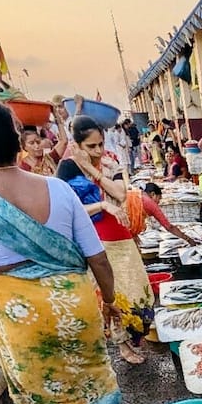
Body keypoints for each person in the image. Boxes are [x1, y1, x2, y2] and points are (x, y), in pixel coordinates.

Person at [0, 94, 138, 404]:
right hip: (73, 301)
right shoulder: (59, 190)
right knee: (91, 368)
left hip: (21, 312)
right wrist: (109, 300)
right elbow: (97, 257)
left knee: (52, 383)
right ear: (18, 137)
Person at [56, 116, 154, 365]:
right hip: (95, 241)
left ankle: (135, 334)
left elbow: (120, 194)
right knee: (112, 295)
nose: (98, 150)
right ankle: (122, 344)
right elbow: (66, 211)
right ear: (77, 145)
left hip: (121, 235)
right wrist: (100, 205)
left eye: (100, 144)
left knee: (139, 292)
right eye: (91, 146)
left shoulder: (110, 161)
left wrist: (92, 170)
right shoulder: (67, 168)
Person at [127, 182, 197, 244]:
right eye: (159, 198)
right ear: (153, 194)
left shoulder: (135, 194)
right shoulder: (150, 203)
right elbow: (169, 227)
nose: (159, 202)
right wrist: (188, 239)